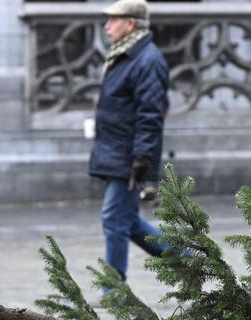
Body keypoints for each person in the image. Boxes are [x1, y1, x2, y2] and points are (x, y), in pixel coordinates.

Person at [89, 0, 168, 284]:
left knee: (114, 220)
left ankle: (114, 291)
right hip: (119, 151)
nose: (107, 26)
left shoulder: (147, 59)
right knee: (127, 222)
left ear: (131, 23)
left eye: (113, 20)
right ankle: (189, 260)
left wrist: (142, 159)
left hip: (129, 155)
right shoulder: (125, 55)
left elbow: (151, 115)